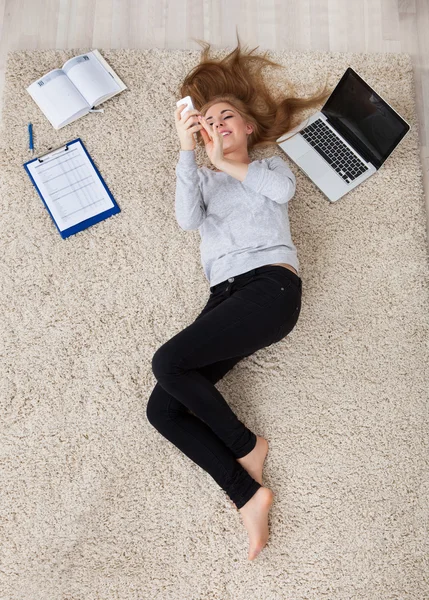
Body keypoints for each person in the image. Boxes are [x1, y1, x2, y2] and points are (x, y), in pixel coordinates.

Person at [146, 31, 332, 561]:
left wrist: (223, 158)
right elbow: (186, 219)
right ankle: (247, 492)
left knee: (167, 361)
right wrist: (190, 152)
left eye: (225, 117)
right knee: (163, 408)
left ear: (248, 126)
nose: (217, 125)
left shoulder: (266, 169)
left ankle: (249, 447)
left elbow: (283, 193)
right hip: (225, 298)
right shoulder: (203, 180)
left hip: (270, 288)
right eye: (207, 121)